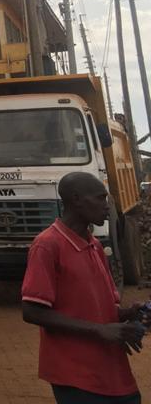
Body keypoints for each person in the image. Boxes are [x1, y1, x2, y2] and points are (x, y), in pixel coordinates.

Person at [21, 172, 146, 404]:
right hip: (76, 374)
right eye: (100, 198)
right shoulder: (47, 245)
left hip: (111, 371)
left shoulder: (95, 245)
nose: (107, 206)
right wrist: (99, 331)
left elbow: (98, 309)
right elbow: (31, 311)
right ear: (77, 199)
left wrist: (128, 314)